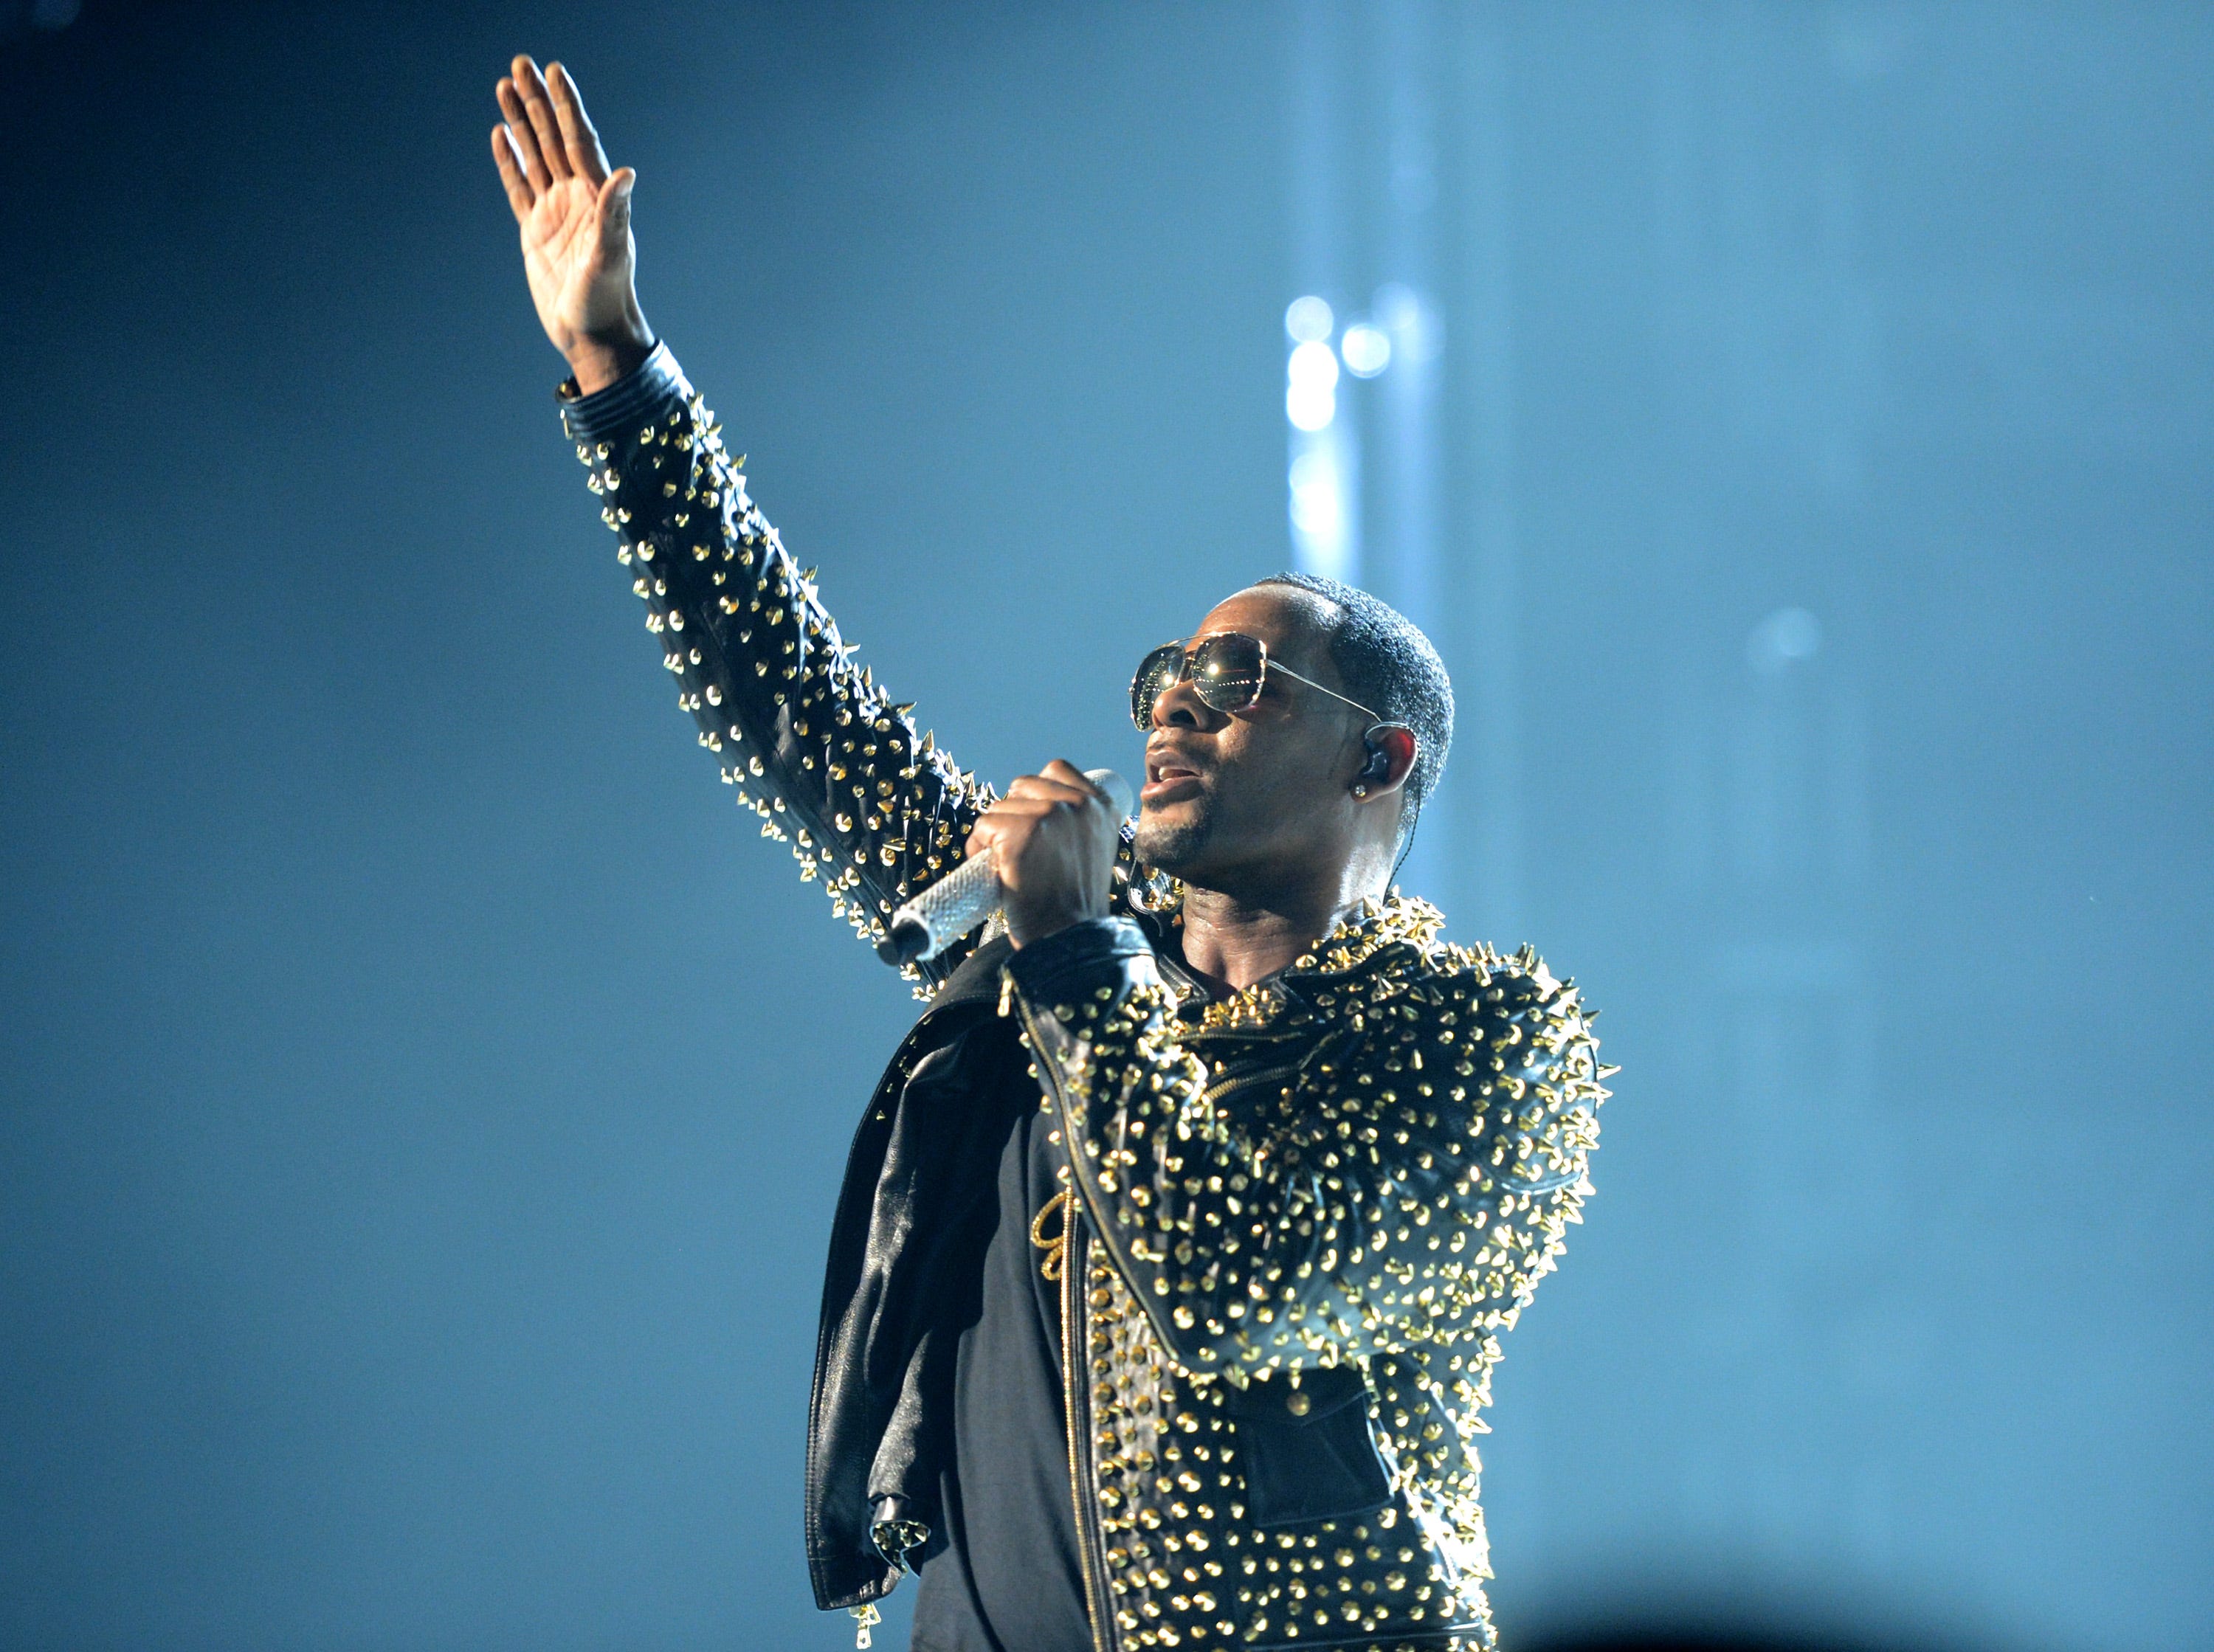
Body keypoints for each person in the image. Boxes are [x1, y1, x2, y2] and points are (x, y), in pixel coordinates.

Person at [490, 54, 1613, 1652]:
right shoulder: (1070, 948)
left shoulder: (1487, 1041)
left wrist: (1079, 957)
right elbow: (799, 711)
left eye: (1236, 679)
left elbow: (1232, 1284)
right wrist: (617, 368)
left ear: (1380, 759)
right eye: (1164, 678)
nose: (1173, 707)